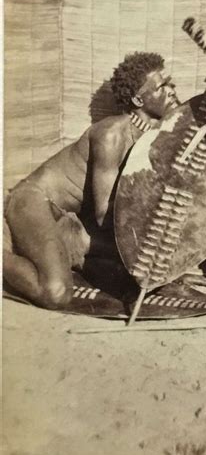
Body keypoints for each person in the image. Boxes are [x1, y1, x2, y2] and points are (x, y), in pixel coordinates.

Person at [3, 52, 179, 310]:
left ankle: (66, 246)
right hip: (34, 200)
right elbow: (103, 215)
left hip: (70, 220)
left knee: (152, 272)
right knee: (56, 292)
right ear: (137, 99)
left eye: (170, 83)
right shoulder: (112, 136)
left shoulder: (156, 138)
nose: (171, 91)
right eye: (161, 87)